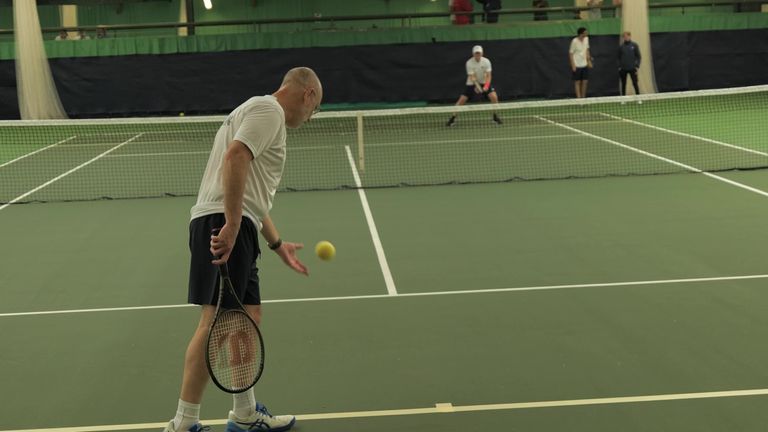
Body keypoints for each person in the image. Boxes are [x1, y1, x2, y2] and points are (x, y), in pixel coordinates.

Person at [162, 67, 322, 432]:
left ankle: (245, 413)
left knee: (246, 317)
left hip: (235, 221)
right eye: (315, 109)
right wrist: (232, 225)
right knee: (215, 322)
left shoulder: (259, 111)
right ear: (308, 94)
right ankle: (183, 422)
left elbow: (250, 192)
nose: (311, 117)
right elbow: (235, 159)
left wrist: (277, 244)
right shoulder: (270, 112)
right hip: (223, 221)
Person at [446, 45, 502, 126]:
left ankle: (495, 116)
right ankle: (453, 118)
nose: (477, 55)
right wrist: (477, 86)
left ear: (482, 53)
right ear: (473, 54)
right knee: (461, 100)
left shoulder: (486, 61)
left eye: (479, 53)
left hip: (484, 82)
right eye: (476, 53)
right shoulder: (469, 63)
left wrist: (486, 86)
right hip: (472, 83)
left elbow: (488, 75)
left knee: (494, 97)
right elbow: (473, 77)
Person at [569, 27, 592, 98]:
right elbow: (570, 53)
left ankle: (583, 98)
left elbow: (587, 50)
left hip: (584, 64)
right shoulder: (574, 41)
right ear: (581, 34)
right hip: (577, 65)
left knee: (585, 82)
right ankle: (579, 99)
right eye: (585, 32)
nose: (587, 33)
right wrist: (573, 65)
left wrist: (589, 61)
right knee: (577, 82)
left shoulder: (586, 39)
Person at [618, 31, 641, 95]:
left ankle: (638, 97)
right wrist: (619, 67)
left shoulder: (634, 45)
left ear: (630, 36)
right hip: (623, 69)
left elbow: (638, 56)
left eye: (627, 36)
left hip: (632, 68)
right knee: (623, 84)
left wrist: (637, 66)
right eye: (624, 37)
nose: (626, 38)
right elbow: (618, 58)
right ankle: (623, 99)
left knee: (635, 83)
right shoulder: (621, 47)